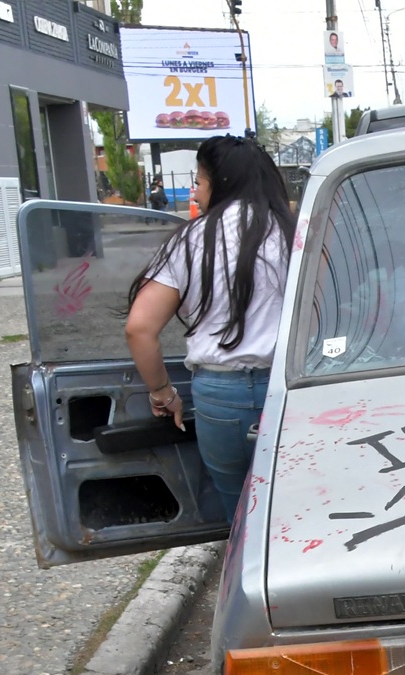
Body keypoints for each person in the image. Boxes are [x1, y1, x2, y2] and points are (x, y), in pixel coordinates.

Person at [124, 136, 296, 520]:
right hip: (296, 390)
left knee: (241, 517)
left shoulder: (190, 240)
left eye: (199, 182)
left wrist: (163, 392)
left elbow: (139, 328)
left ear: (221, 183)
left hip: (221, 399)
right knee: (301, 509)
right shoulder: (300, 235)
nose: (195, 193)